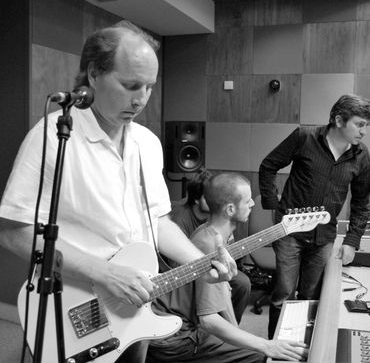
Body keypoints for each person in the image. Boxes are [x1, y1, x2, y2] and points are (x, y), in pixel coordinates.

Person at [0, 20, 237, 362]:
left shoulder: (147, 143)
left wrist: (202, 262)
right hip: (75, 304)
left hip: (135, 307)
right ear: (94, 74)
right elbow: (13, 232)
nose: (141, 99)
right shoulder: (53, 136)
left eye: (149, 87)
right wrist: (105, 273)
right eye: (130, 85)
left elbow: (156, 221)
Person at [146, 172, 308, 363]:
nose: (253, 204)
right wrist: (265, 345)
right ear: (230, 209)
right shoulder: (209, 245)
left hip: (184, 325)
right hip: (177, 337)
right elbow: (209, 320)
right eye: (248, 201)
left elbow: (222, 294)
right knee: (259, 356)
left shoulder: (211, 233)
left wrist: (240, 337)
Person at [259, 94, 370, 339]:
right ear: (339, 120)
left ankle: (301, 347)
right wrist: (272, 205)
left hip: (325, 236)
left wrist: (351, 241)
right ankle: (276, 350)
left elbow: (362, 202)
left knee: (311, 298)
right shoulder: (304, 137)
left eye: (366, 126)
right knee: (283, 296)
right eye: (360, 125)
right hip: (289, 232)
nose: (364, 131)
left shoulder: (362, 155)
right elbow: (268, 166)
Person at [171, 168, 252, 324]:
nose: (214, 199)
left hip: (212, 269)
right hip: (186, 279)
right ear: (196, 200)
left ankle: (229, 329)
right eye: (208, 197)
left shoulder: (216, 221)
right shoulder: (184, 222)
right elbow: (176, 265)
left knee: (241, 283)